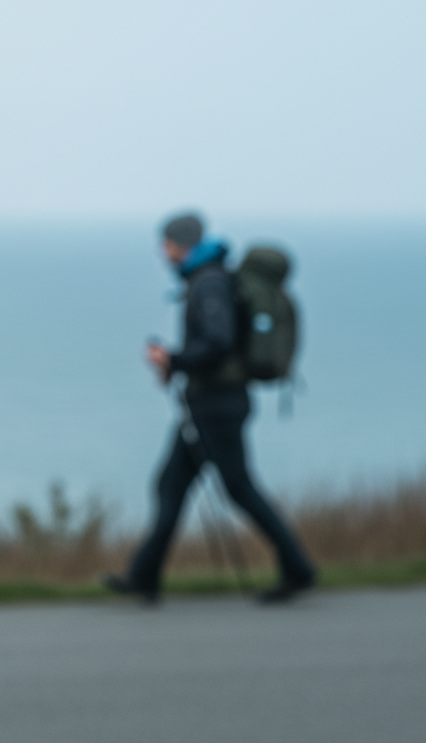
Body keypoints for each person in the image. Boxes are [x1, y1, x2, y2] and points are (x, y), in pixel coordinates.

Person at [105, 213, 316, 604]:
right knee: (172, 485)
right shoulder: (209, 279)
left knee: (238, 489)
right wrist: (177, 363)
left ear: (181, 244)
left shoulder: (210, 284)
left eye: (166, 244)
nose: (162, 252)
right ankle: (143, 577)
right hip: (210, 403)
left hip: (217, 405)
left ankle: (298, 568)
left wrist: (174, 360)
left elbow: (218, 343)